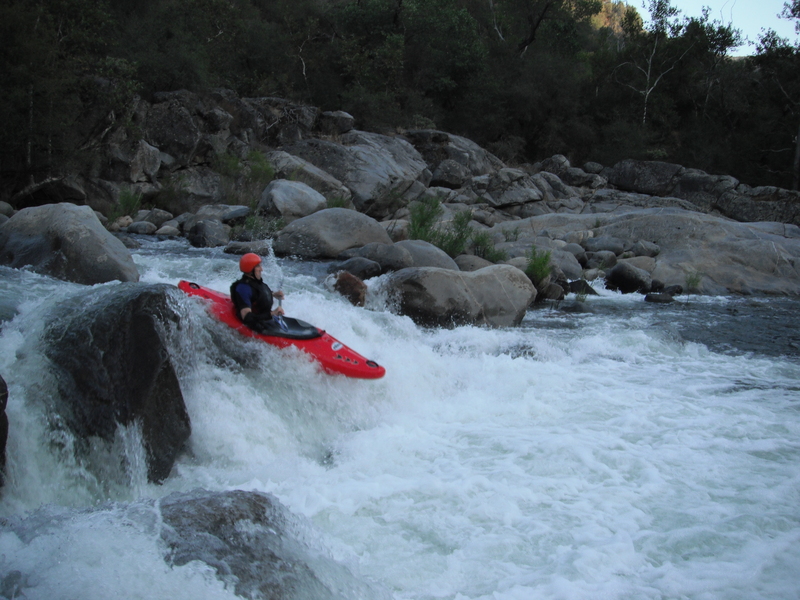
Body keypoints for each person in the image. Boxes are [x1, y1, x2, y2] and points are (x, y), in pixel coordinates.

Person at [230, 253, 285, 332]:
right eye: (258, 266)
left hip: (266, 320)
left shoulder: (255, 282)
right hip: (256, 324)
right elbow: (247, 317)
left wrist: (273, 294)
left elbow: (257, 294)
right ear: (251, 269)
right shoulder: (243, 288)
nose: (261, 269)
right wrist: (272, 313)